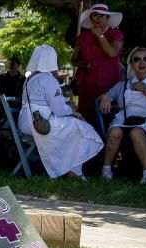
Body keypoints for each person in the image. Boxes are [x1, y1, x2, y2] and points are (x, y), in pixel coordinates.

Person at [19, 44, 103, 180]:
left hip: (26, 122)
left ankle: (70, 168)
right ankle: (74, 170)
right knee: (81, 128)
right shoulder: (48, 79)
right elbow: (59, 109)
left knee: (73, 128)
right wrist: (73, 111)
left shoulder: (29, 79)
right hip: (40, 123)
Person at [98, 47, 146, 184]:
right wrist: (105, 96)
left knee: (137, 132)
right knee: (114, 132)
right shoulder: (122, 85)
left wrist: (145, 90)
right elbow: (104, 96)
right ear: (131, 64)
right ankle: (106, 171)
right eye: (137, 59)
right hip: (125, 119)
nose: (142, 63)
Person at [71, 3, 124, 127]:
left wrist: (100, 35)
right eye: (95, 15)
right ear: (91, 18)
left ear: (107, 18)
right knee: (85, 116)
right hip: (87, 83)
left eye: (102, 15)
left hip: (109, 84)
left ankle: (109, 144)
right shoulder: (83, 37)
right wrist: (83, 64)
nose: (99, 18)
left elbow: (112, 53)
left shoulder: (116, 34)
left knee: (106, 117)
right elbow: (73, 59)